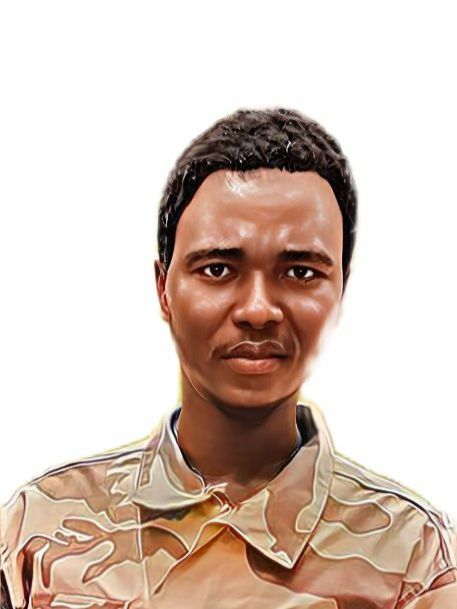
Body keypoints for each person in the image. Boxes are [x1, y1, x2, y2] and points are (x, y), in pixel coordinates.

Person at [1, 108, 456, 608]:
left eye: (301, 272)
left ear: (340, 290)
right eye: (218, 269)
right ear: (163, 289)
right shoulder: (34, 536)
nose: (258, 310)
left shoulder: (413, 558)